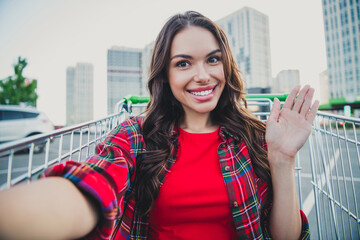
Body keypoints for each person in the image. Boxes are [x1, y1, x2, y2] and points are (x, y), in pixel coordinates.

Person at [0, 11, 318, 240]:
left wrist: (283, 159)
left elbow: (286, 236)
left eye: (212, 59)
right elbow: (96, 184)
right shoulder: (136, 135)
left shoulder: (253, 137)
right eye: (183, 63)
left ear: (226, 65)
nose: (202, 75)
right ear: (165, 75)